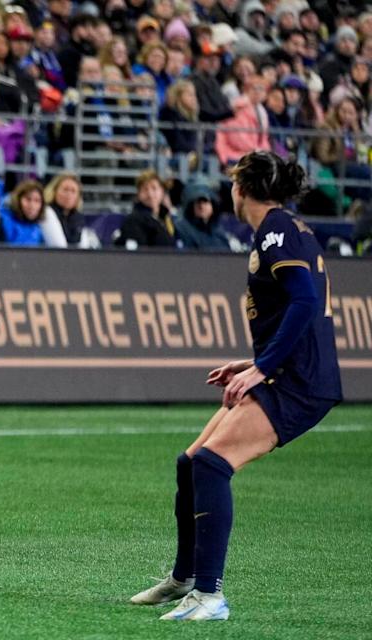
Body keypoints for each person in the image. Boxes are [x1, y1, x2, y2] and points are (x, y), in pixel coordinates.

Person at [129, 151, 341, 621]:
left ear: (241, 188)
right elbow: (298, 306)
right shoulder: (284, 228)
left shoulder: (276, 230)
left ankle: (210, 595)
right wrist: (255, 361)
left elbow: (305, 302)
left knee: (211, 464)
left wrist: (262, 368)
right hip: (287, 369)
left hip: (298, 382)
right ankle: (184, 578)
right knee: (190, 464)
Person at [114, 170, 176, 249]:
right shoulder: (133, 220)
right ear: (138, 194)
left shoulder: (169, 218)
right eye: (145, 189)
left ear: (162, 191)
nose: (150, 194)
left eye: (154, 188)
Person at [42, 173, 100, 249]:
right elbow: (59, 246)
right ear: (54, 191)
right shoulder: (47, 212)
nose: (69, 194)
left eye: (73, 191)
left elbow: (84, 247)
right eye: (65, 189)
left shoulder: (78, 217)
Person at [173, 182, 232, 251]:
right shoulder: (182, 228)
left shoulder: (219, 231)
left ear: (213, 206)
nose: (201, 206)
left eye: (205, 201)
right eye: (198, 202)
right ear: (192, 206)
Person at [0, 179, 45, 246]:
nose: (32, 205)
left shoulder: (40, 227)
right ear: (18, 200)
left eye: (37, 201)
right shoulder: (3, 221)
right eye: (28, 199)